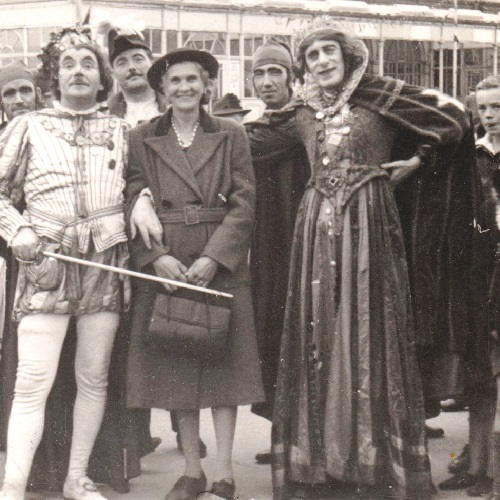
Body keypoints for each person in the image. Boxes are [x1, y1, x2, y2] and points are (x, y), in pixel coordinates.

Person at [246, 18, 475, 499]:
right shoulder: (302, 110)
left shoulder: (382, 95)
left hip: (370, 224)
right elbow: (251, 145)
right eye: (312, 56)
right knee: (320, 334)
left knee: (369, 332)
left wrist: (418, 160)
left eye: (329, 51)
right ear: (303, 66)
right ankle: (323, 463)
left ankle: (373, 464)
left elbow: (455, 120)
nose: (322, 62)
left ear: (348, 54)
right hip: (314, 230)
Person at [125, 47, 264, 500]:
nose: (184, 88)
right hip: (169, 263)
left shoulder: (231, 133)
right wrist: (155, 258)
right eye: (175, 82)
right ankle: (191, 471)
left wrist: (215, 257)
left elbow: (244, 203)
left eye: (193, 80)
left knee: (224, 368)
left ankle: (223, 472)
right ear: (161, 91)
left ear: (207, 87)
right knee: (176, 366)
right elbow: (130, 194)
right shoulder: (142, 137)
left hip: (216, 262)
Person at [0, 25, 129, 500]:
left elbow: (134, 186)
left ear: (102, 80)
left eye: (88, 64)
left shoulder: (120, 130)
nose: (78, 72)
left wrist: (143, 199)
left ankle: (77, 477)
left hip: (105, 265)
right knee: (33, 380)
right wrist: (20, 230)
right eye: (67, 65)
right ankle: (12, 486)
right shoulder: (27, 125)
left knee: (92, 377)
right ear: (52, 78)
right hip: (46, 265)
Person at [247, 41, 310, 466]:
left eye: (276, 72)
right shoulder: (251, 126)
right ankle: (281, 437)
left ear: (291, 76)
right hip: (267, 242)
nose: (268, 81)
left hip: (304, 235)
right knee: (272, 330)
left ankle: (309, 439)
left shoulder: (306, 119)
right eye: (260, 74)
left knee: (308, 331)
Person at [440, 75, 500, 497]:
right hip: (480, 280)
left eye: (498, 107)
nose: (490, 115)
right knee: (480, 377)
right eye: (484, 108)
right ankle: (478, 465)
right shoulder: (473, 154)